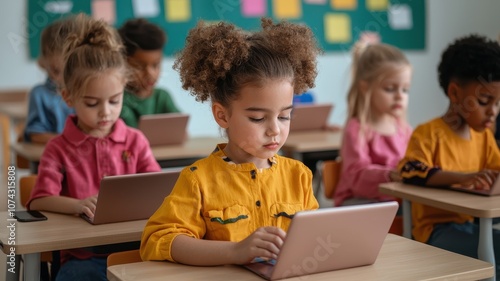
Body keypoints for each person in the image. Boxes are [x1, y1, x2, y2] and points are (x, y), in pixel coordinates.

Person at [140, 18, 320, 265]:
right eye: (257, 118)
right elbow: (157, 240)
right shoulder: (198, 180)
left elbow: (314, 238)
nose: (274, 130)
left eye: (284, 115)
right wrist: (235, 251)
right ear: (222, 115)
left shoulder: (299, 176)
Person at [27, 14, 161, 281]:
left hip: (135, 251)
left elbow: (157, 186)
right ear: (68, 97)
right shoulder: (58, 148)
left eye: (114, 101)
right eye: (92, 103)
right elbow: (39, 199)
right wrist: (77, 205)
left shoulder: (135, 140)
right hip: (83, 256)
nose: (105, 113)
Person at [398, 34, 500, 276]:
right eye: (485, 101)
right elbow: (410, 170)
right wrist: (462, 177)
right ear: (455, 94)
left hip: (471, 225)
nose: (493, 112)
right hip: (433, 232)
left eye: (498, 103)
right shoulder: (429, 133)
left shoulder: (483, 137)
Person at [334, 32, 412, 207]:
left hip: (395, 201)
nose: (400, 96)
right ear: (365, 87)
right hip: (358, 203)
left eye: (405, 90)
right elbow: (357, 178)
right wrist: (390, 175)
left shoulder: (404, 129)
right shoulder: (357, 129)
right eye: (390, 89)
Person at [117, 18, 180, 128]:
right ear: (122, 63)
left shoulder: (162, 97)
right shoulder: (117, 101)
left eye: (156, 65)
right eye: (139, 66)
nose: (150, 73)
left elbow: (181, 131)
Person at [24, 17, 75, 143]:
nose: (62, 78)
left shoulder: (87, 93)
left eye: (70, 70)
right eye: (56, 70)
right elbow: (35, 135)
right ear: (43, 63)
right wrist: (69, 142)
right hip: (49, 158)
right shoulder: (39, 94)